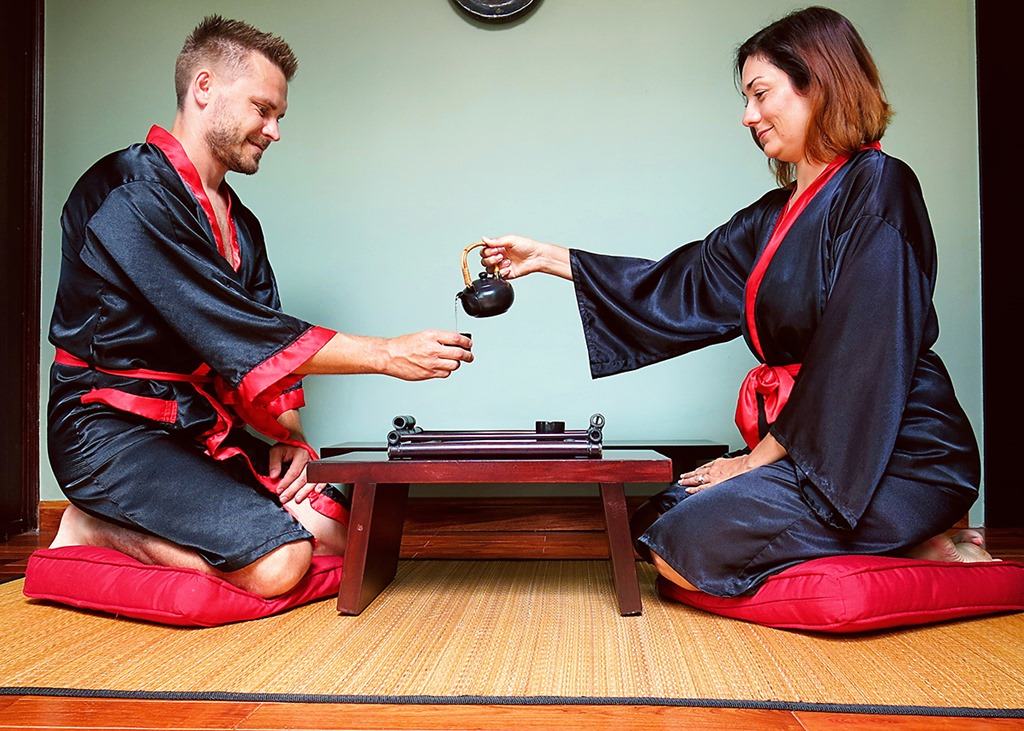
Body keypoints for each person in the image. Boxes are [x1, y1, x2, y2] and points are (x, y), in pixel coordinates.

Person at [479, 6, 989, 597]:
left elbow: (860, 358)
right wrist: (546, 258)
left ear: (818, 83)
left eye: (761, 93)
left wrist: (751, 463)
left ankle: (916, 540)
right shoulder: (774, 216)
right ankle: (909, 544)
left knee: (685, 545)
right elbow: (684, 281)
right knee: (657, 518)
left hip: (894, 452)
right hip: (809, 444)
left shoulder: (881, 187)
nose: (749, 116)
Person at [47, 16, 473, 598]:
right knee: (280, 563)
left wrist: (289, 441)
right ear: (204, 88)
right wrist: (386, 354)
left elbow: (265, 339)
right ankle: (92, 527)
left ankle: (211, 530)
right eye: (262, 109)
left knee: (339, 529)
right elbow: (239, 333)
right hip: (107, 426)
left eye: (279, 116)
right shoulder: (127, 194)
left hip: (189, 419)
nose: (274, 130)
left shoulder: (241, 222)